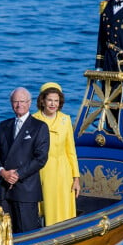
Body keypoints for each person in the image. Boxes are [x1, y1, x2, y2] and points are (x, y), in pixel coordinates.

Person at [0, 87, 50, 233]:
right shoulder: (3, 126)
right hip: (5, 189)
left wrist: (17, 175)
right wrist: (3, 172)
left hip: (26, 190)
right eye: (15, 101)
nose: (19, 105)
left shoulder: (39, 127)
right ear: (11, 103)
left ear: (29, 103)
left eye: (22, 101)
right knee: (6, 234)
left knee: (27, 233)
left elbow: (41, 158)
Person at [32, 82, 81, 226]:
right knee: (48, 206)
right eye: (50, 100)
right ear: (42, 101)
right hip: (43, 171)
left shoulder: (65, 119)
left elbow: (71, 151)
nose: (53, 104)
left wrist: (76, 178)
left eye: (56, 100)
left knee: (65, 207)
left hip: (64, 171)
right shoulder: (34, 120)